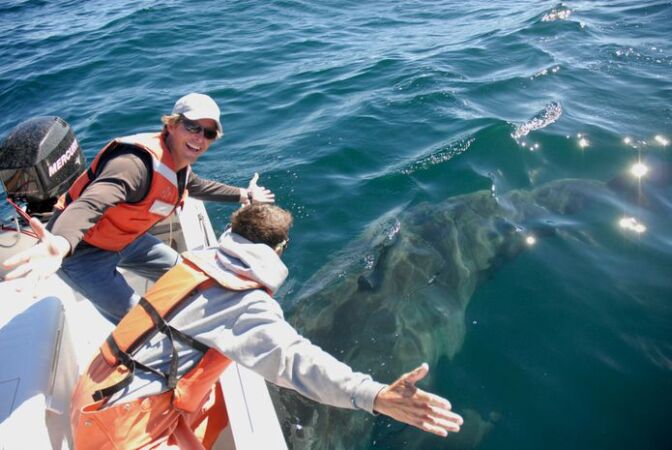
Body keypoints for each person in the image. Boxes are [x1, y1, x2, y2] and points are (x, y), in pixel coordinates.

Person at [67, 203, 463, 449]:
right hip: (119, 431)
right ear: (280, 249)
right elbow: (295, 362)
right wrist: (375, 395)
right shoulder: (243, 301)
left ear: (233, 232)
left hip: (96, 389)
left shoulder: (197, 262)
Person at [2, 93, 274, 323]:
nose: (200, 138)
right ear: (172, 124)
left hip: (125, 239)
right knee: (139, 323)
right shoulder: (134, 165)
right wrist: (61, 243)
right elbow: (92, 202)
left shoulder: (177, 162)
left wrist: (245, 195)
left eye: (209, 133)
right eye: (192, 127)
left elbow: (197, 185)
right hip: (83, 252)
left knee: (187, 276)